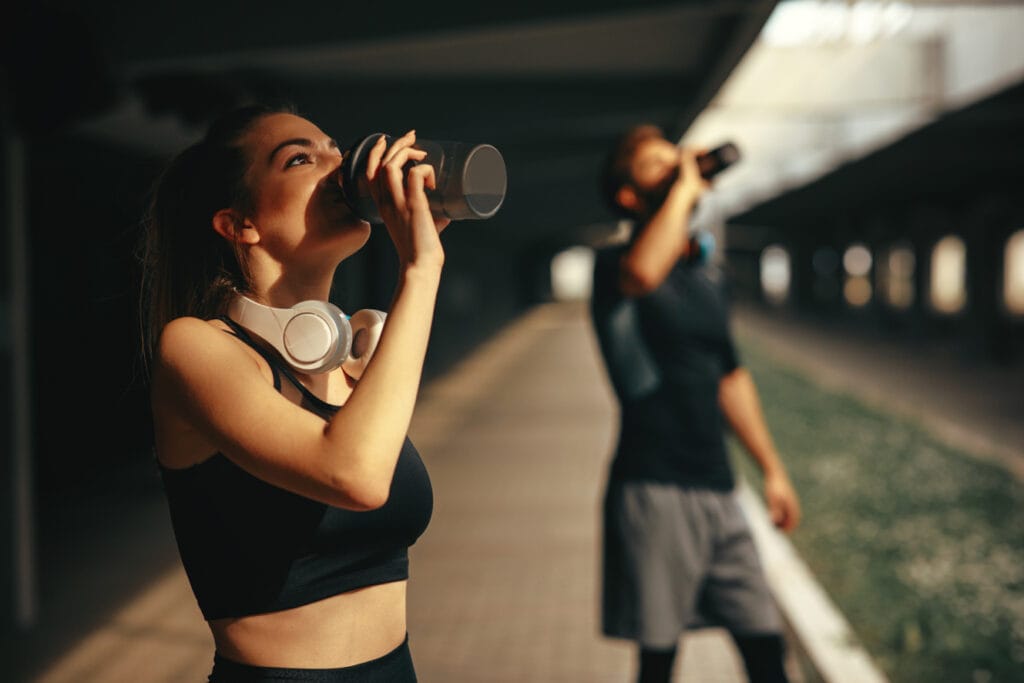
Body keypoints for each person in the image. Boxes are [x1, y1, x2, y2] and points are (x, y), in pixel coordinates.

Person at [139, 103, 447, 682]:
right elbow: (353, 474)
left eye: (336, 148)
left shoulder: (354, 356)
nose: (339, 167)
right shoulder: (196, 349)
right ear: (239, 224)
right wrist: (421, 269)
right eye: (300, 159)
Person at [590, 124, 802, 683]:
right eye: (658, 165)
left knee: (765, 647)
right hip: (653, 488)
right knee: (659, 660)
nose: (677, 165)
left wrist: (772, 470)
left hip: (719, 486)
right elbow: (642, 273)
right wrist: (686, 188)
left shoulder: (706, 275)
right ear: (629, 197)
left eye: (675, 157)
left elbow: (730, 377)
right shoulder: (614, 266)